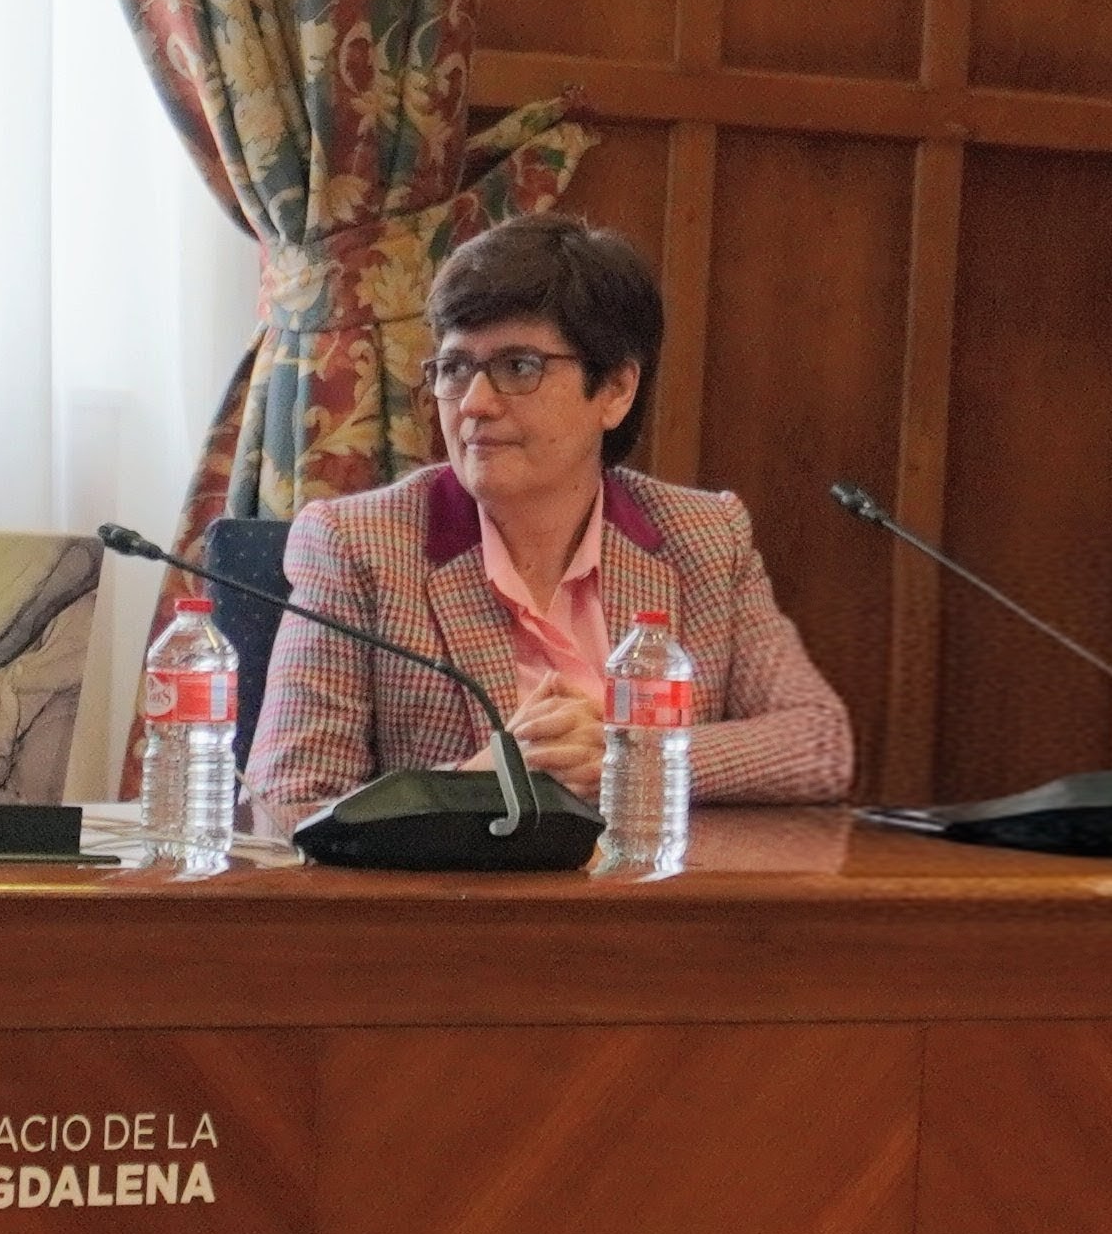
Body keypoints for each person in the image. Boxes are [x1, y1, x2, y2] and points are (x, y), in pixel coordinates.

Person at [240, 215, 851, 829]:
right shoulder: (360, 545)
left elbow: (821, 745)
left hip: (656, 907)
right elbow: (286, 802)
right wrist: (484, 780)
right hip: (447, 916)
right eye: (454, 369)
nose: (474, 403)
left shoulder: (704, 537)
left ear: (615, 389)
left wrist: (630, 756)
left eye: (518, 367)